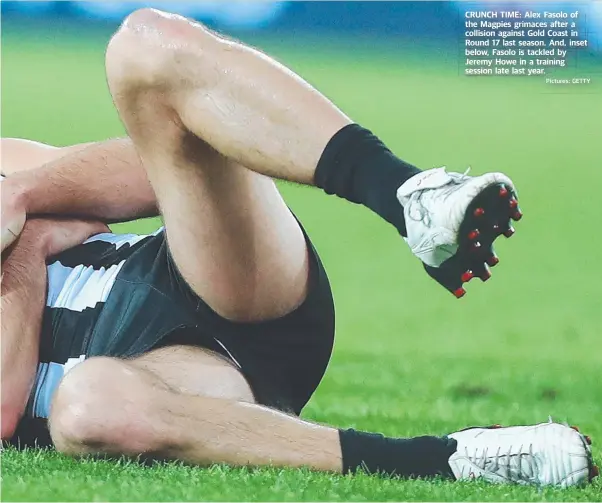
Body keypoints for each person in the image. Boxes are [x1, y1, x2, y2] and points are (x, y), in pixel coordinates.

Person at [1, 8, 597, 487]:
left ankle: (409, 198)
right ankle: (450, 459)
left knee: (145, 45)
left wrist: (24, 190)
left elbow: (151, 166)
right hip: (169, 379)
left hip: (202, 273)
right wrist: (31, 241)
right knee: (88, 411)